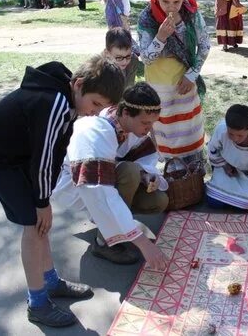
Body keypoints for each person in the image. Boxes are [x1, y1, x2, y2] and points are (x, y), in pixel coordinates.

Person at [0, 56, 126, 327]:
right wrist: (41, 202)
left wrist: (45, 196)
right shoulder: (56, 103)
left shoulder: (71, 101)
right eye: (95, 104)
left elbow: (55, 152)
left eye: (103, 108)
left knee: (41, 220)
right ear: (78, 84)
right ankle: (37, 303)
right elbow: (42, 158)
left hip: (18, 155)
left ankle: (50, 281)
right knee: (33, 224)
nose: (95, 112)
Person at [50, 83, 169, 271]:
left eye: (152, 124)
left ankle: (118, 227)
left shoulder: (133, 129)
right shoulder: (95, 130)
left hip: (105, 186)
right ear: (126, 113)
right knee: (128, 172)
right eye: (145, 123)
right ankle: (104, 243)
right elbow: (97, 189)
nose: (149, 129)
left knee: (158, 200)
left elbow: (145, 160)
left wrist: (146, 176)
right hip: (74, 188)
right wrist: (143, 242)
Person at [138, 0, 209, 165]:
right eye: (165, 2)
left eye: (176, 2)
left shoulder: (191, 15)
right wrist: (160, 38)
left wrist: (192, 75)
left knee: (189, 137)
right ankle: (172, 180)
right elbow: (146, 58)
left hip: (184, 86)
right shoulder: (147, 18)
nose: (171, 7)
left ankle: (194, 176)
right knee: (165, 138)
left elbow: (204, 46)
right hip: (158, 89)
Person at [206, 104, 248, 214]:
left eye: (240, 135)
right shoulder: (221, 129)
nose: (235, 138)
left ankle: (233, 201)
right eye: (231, 134)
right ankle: (231, 201)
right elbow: (213, 149)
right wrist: (225, 165)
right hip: (226, 170)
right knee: (213, 201)